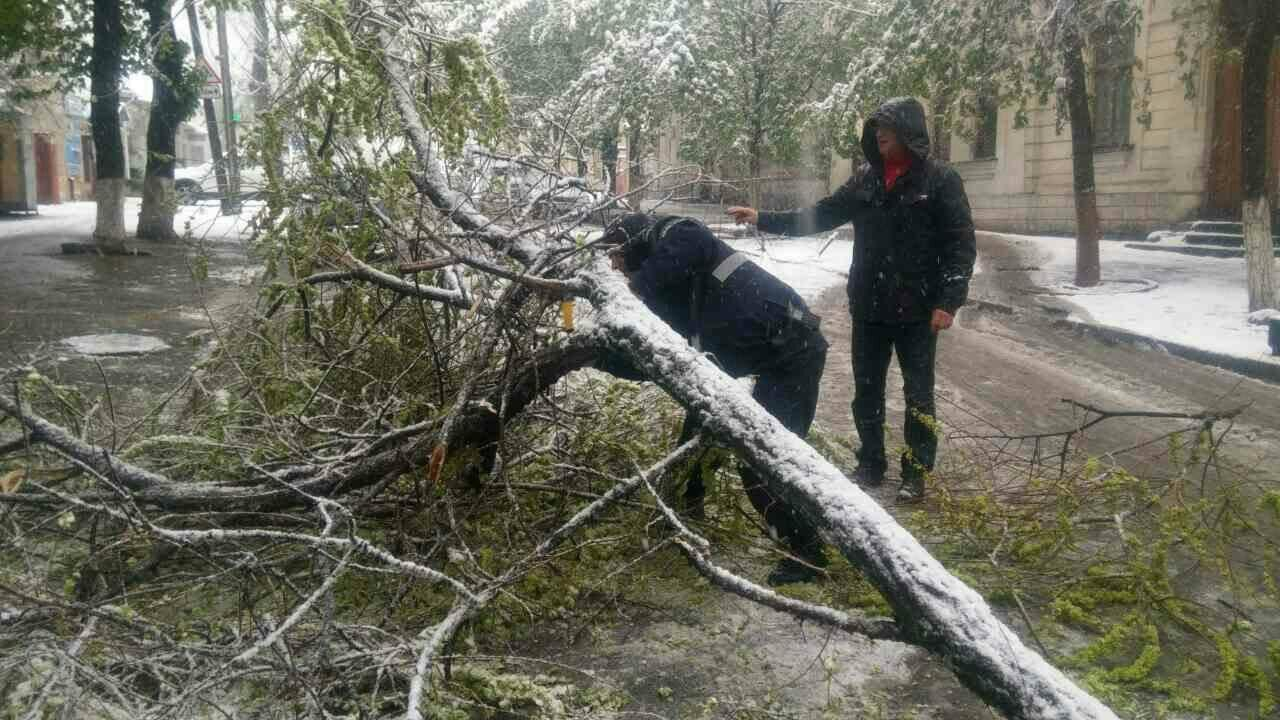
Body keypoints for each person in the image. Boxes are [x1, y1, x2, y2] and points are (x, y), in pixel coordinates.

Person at [726, 97, 976, 503]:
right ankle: (871, 463)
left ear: (909, 132)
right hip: (870, 305)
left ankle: (915, 472)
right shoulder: (865, 180)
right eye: (876, 127)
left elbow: (960, 244)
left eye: (887, 128)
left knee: (918, 394)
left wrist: (949, 300)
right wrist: (763, 217)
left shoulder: (940, 180)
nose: (879, 134)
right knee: (867, 390)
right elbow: (821, 214)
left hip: (918, 310)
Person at [598, 212, 831, 585]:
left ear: (637, 242)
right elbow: (654, 360)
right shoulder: (671, 290)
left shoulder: (681, 236)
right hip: (743, 363)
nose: (615, 266)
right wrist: (597, 355)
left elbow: (684, 246)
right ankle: (685, 516)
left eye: (618, 256)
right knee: (696, 440)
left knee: (763, 463)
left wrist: (631, 292)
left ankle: (808, 556)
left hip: (793, 355)